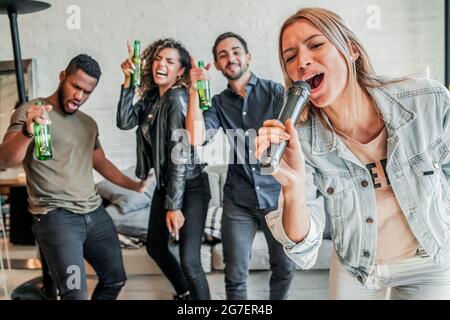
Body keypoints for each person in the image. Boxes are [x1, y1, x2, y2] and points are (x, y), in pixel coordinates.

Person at [255, 7, 450, 300]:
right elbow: (303, 246)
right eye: (290, 56)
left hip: (428, 261)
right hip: (358, 264)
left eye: (316, 44)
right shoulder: (302, 140)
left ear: (352, 50)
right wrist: (293, 188)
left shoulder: (426, 101)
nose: (302, 61)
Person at [0, 54, 150, 300]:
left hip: (95, 213)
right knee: (75, 295)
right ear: (63, 77)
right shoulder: (32, 111)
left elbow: (101, 163)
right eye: (76, 87)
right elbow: (5, 159)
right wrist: (28, 130)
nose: (79, 96)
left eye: (87, 92)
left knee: (115, 279)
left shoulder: (88, 124)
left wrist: (136, 185)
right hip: (56, 218)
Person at [186, 32, 295, 300]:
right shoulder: (219, 104)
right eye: (223, 55)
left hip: (277, 197)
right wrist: (193, 91)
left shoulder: (275, 92)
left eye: (235, 52)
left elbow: (296, 133)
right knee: (234, 275)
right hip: (239, 201)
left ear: (248, 57)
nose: (230, 58)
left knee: (284, 267)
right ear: (217, 64)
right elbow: (195, 137)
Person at [116, 38, 211, 300]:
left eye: (169, 61)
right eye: (158, 58)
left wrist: (174, 205)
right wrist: (128, 81)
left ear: (181, 71)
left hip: (190, 187)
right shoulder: (151, 98)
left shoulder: (177, 98)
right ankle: (185, 295)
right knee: (156, 248)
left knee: (190, 262)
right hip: (166, 185)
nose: (161, 64)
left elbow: (180, 156)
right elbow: (124, 121)